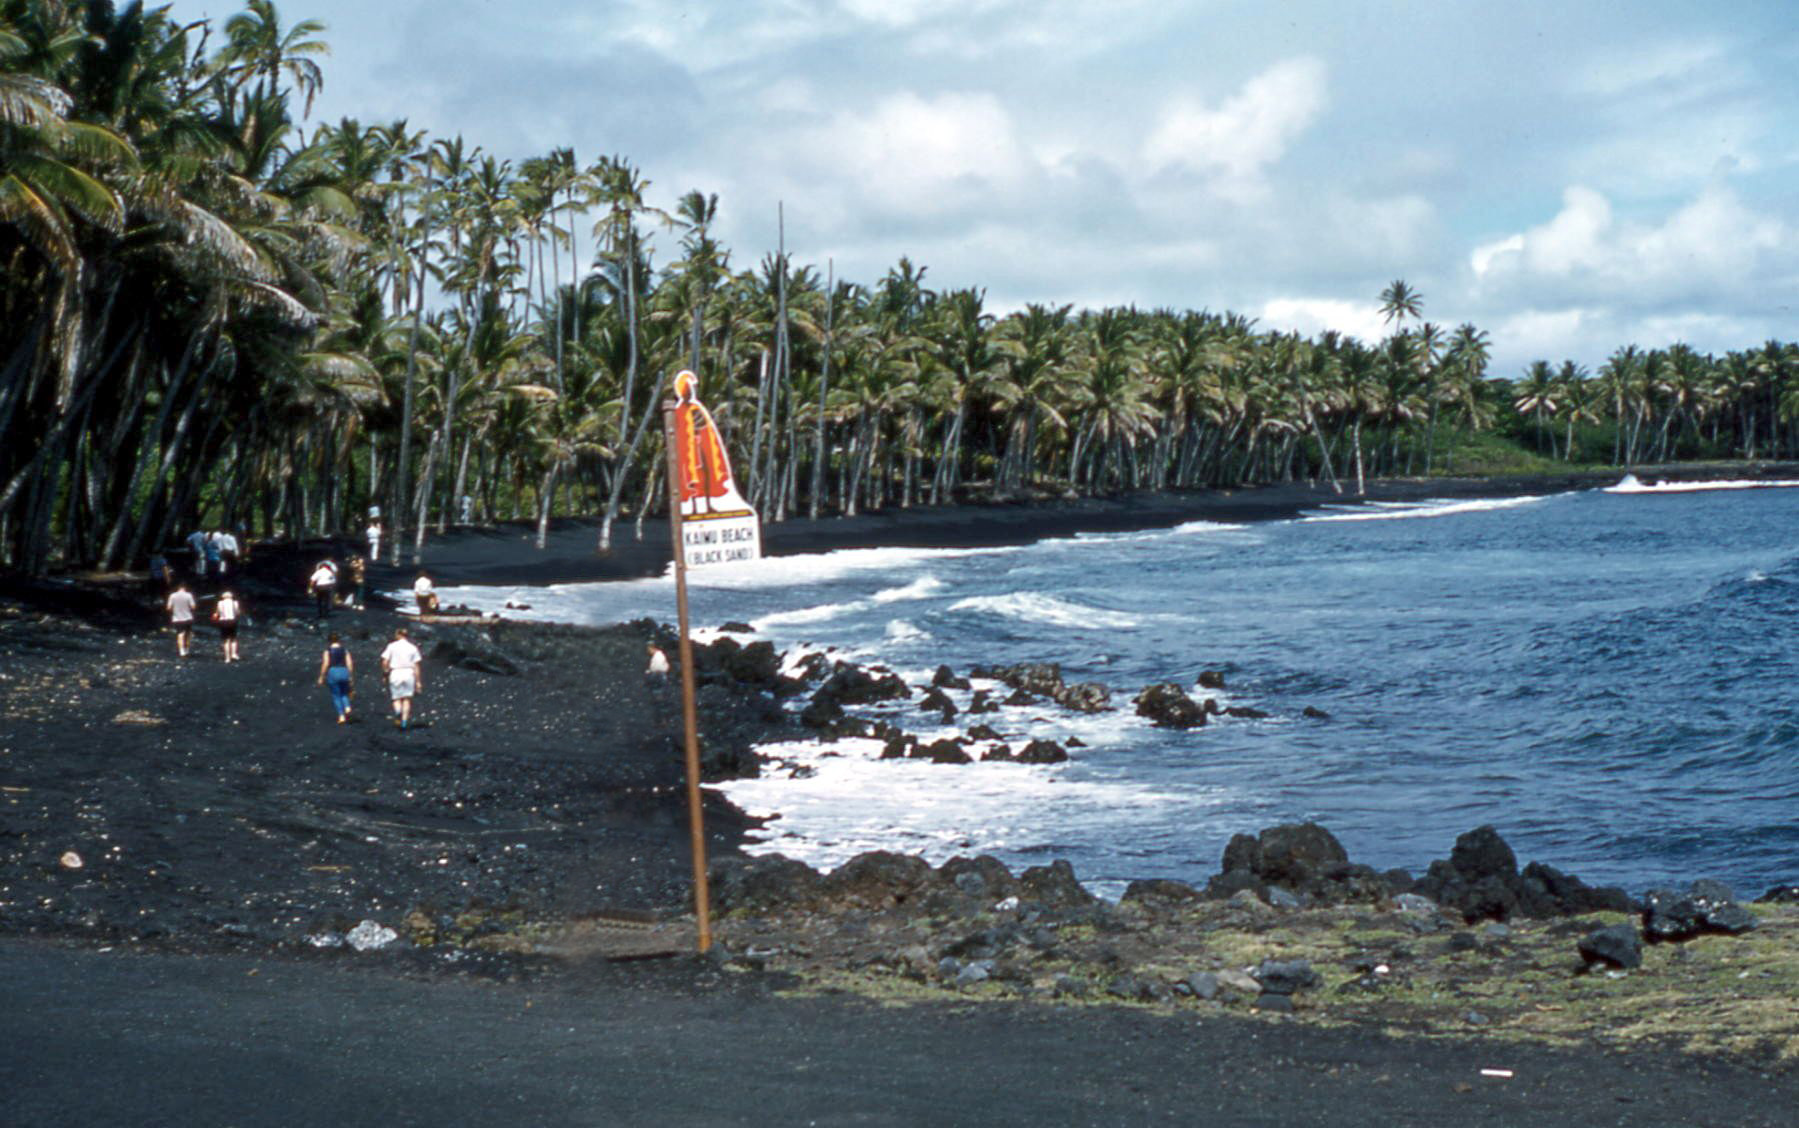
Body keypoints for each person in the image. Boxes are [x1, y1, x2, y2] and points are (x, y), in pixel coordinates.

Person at [380, 626, 423, 730]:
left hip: (395, 672)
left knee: (396, 698)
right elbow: (416, 666)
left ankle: (398, 712)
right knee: (407, 699)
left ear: (398, 635)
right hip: (409, 672)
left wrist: (385, 673)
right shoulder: (412, 647)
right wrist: (418, 682)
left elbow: (385, 661)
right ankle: (404, 722)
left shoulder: (391, 646)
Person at [316, 632, 355, 724]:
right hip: (344, 671)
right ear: (339, 640)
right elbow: (349, 663)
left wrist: (321, 676)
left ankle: (341, 716)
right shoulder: (345, 650)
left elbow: (326, 663)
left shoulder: (328, 651)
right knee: (344, 693)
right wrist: (350, 676)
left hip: (333, 671)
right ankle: (347, 707)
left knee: (336, 695)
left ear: (329, 641)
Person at [166, 581, 196, 658]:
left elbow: (168, 607)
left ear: (178, 588)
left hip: (177, 618)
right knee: (188, 634)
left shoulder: (172, 595)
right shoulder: (188, 595)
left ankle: (181, 651)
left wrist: (174, 610)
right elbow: (193, 607)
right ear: (185, 588)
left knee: (180, 634)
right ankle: (187, 649)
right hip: (188, 617)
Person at [212, 589, 242, 663]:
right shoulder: (235, 603)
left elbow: (217, 613)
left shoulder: (220, 603)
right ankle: (234, 654)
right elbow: (238, 613)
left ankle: (227, 658)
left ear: (223, 597)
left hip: (223, 622)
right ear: (231, 596)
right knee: (233, 639)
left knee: (226, 640)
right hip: (232, 621)